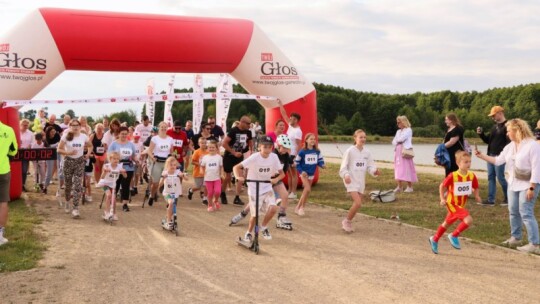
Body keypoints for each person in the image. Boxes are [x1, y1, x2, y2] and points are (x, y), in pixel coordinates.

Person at [475, 119, 540, 254]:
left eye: (509, 131)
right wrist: (481, 156)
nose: (507, 134)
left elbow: (537, 168)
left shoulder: (532, 145)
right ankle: (516, 237)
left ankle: (535, 244)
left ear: (517, 130)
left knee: (526, 212)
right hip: (513, 182)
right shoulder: (510, 146)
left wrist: (532, 187)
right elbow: (498, 161)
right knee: (513, 210)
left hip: (528, 184)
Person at [230, 134, 294, 230]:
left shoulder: (285, 156)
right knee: (256, 202)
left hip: (275, 180)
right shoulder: (273, 154)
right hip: (263, 180)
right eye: (283, 147)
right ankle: (243, 213)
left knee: (285, 195)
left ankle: (281, 216)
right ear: (277, 146)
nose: (285, 150)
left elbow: (285, 168)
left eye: (287, 148)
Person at [428, 151, 481, 254]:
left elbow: (476, 186)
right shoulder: (453, 175)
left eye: (469, 162)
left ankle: (434, 239)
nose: (468, 164)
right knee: (468, 220)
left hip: (461, 204)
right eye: (465, 162)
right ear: (458, 163)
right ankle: (454, 235)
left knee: (446, 224)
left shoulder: (471, 175)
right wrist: (442, 199)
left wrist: (477, 195)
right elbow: (442, 186)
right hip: (452, 203)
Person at [339, 129, 381, 232]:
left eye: (364, 137)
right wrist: (346, 175)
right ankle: (346, 221)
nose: (363, 139)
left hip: (360, 182)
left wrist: (374, 171)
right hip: (350, 180)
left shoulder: (367, 152)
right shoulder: (350, 151)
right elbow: (343, 167)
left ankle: (348, 220)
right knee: (358, 203)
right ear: (355, 138)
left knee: (357, 204)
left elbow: (370, 166)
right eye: (360, 137)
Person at [57, 119, 93, 218]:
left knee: (78, 185)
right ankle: (67, 201)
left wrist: (88, 154)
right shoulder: (66, 136)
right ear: (70, 127)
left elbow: (90, 146)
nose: (75, 127)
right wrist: (68, 153)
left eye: (77, 125)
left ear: (80, 126)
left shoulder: (84, 136)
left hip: (79, 162)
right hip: (68, 161)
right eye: (73, 125)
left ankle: (76, 208)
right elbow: (59, 149)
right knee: (68, 185)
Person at [476, 106, 510, 206]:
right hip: (490, 155)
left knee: (500, 177)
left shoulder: (507, 126)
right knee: (491, 177)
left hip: (500, 157)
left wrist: (504, 155)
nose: (492, 118)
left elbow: (509, 143)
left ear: (500, 113)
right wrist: (481, 134)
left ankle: (508, 198)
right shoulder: (494, 127)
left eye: (493, 115)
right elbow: (488, 141)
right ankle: (491, 200)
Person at [221, 115, 253, 205]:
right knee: (228, 177)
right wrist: (234, 152)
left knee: (240, 178)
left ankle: (237, 197)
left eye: (250, 124)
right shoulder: (233, 131)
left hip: (239, 157)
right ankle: (222, 193)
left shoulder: (248, 132)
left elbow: (250, 142)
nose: (249, 125)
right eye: (247, 123)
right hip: (229, 156)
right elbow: (224, 144)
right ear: (242, 122)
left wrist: (251, 151)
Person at [294, 133, 326, 216]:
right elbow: (297, 163)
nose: (313, 140)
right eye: (311, 139)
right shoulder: (302, 152)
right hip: (304, 174)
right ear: (306, 140)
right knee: (307, 189)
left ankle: (297, 207)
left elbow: (320, 160)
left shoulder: (317, 151)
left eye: (314, 139)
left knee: (306, 192)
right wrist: (301, 171)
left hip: (312, 174)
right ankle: (302, 208)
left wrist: (322, 165)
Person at [108, 126, 138, 212]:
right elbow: (109, 155)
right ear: (118, 134)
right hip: (117, 167)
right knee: (115, 185)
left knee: (126, 185)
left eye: (125, 134)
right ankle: (112, 201)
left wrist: (136, 160)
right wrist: (111, 163)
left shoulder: (131, 144)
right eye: (122, 134)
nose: (124, 135)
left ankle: (125, 203)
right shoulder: (114, 144)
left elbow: (133, 155)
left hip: (128, 167)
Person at [278, 99, 302, 200]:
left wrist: (296, 157)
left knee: (294, 173)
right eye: (290, 118)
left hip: (293, 154)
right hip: (287, 153)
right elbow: (284, 114)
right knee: (289, 173)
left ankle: (294, 192)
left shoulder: (298, 131)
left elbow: (299, 145)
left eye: (292, 119)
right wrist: (280, 104)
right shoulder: (291, 126)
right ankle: (289, 191)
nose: (289, 120)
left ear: (296, 120)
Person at [146, 122, 174, 206]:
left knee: (168, 182)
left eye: (165, 127)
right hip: (157, 162)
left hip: (166, 163)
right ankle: (152, 195)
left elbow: (172, 152)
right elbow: (149, 151)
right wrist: (152, 157)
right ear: (159, 128)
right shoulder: (155, 138)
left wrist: (173, 157)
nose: (163, 129)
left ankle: (168, 201)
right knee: (155, 183)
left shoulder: (170, 139)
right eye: (162, 127)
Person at [0, 120, 18, 246]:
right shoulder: (8, 130)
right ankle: (0, 235)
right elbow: (13, 151)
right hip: (3, 170)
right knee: (3, 202)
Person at [97, 151, 126, 221]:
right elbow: (102, 177)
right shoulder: (107, 166)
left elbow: (125, 176)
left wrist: (123, 172)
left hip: (113, 184)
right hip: (105, 183)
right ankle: (106, 212)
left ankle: (114, 213)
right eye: (114, 159)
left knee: (114, 199)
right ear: (110, 159)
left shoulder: (119, 166)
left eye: (117, 159)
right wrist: (105, 171)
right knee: (109, 195)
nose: (116, 160)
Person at [158, 156, 186, 230]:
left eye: (174, 165)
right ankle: (169, 221)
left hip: (175, 194)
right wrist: (163, 178)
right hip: (167, 193)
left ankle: (168, 218)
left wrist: (183, 175)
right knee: (170, 203)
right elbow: (160, 184)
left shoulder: (178, 172)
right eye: (171, 165)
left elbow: (186, 178)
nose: (173, 167)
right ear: (167, 166)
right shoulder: (165, 173)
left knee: (173, 209)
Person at [392, 115, 418, 193]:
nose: (398, 124)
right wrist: (397, 141)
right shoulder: (398, 131)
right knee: (398, 167)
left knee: (407, 167)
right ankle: (399, 186)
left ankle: (410, 187)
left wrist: (398, 140)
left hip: (405, 151)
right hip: (398, 150)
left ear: (403, 122)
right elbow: (393, 141)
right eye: (397, 122)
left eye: (399, 122)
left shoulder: (408, 130)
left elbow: (401, 139)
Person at [200, 140, 223, 212]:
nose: (211, 149)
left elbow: (221, 166)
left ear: (216, 148)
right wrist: (202, 171)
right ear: (207, 148)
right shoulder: (205, 157)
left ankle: (215, 201)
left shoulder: (219, 157)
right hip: (208, 178)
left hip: (217, 178)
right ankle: (210, 205)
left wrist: (222, 173)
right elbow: (202, 166)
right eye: (210, 147)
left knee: (218, 191)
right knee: (210, 193)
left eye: (213, 147)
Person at [188, 137, 209, 205]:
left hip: (206, 172)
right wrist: (200, 164)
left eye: (205, 143)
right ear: (199, 144)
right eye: (202, 143)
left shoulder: (208, 152)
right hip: (198, 172)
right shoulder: (197, 152)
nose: (204, 144)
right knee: (199, 187)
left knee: (206, 186)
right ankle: (191, 190)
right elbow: (192, 162)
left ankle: (204, 199)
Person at [43, 126, 61, 194]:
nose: (53, 133)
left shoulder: (57, 136)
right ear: (48, 132)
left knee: (60, 169)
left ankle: (59, 188)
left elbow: (60, 144)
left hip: (58, 153)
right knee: (49, 171)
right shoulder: (45, 139)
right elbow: (49, 147)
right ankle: (45, 186)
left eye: (54, 131)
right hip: (49, 155)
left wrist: (58, 145)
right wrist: (57, 144)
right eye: (52, 132)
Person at [19, 119, 33, 191]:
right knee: (17, 170)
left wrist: (29, 146)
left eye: (27, 125)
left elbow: (32, 143)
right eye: (24, 125)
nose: (26, 126)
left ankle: (22, 185)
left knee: (24, 171)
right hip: (17, 153)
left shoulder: (30, 133)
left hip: (26, 153)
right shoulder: (16, 132)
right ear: (20, 125)